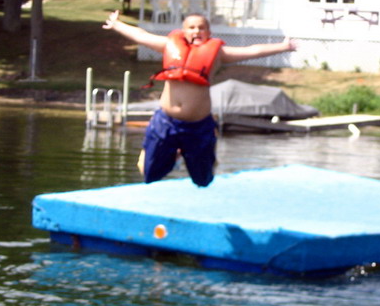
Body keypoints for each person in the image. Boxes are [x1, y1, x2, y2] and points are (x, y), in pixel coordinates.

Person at [102, 10, 297, 186]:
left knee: (203, 180)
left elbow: (252, 51)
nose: (197, 31)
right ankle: (169, 154)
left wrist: (283, 46)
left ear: (209, 32)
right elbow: (141, 36)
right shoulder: (168, 46)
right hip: (166, 121)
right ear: (183, 31)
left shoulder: (219, 54)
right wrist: (117, 24)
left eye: (201, 28)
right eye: (192, 27)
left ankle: (190, 154)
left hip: (197, 126)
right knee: (149, 174)